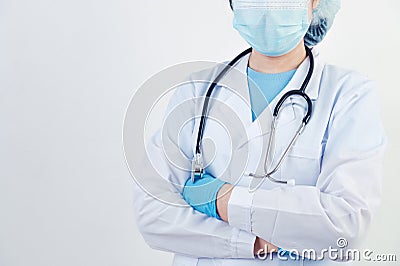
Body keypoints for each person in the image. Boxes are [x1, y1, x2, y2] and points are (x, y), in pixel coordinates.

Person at [132, 0, 386, 265]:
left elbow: (345, 224)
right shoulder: (197, 90)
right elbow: (154, 213)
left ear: (315, 2)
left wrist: (219, 198)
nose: (267, 5)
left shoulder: (348, 94)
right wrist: (255, 242)